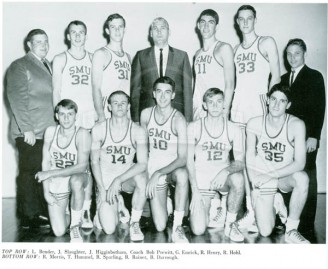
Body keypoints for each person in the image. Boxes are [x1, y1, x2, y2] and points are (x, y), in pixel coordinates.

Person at [230, 5, 281, 231]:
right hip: (238, 108)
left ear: (255, 20)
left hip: (259, 109)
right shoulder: (235, 49)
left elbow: (277, 77)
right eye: (241, 19)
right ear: (237, 22)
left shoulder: (266, 42)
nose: (245, 22)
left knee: (261, 161)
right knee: (242, 161)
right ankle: (251, 211)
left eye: (249, 18)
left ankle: (273, 205)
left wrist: (271, 109)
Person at [246, 84, 310, 244]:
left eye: (282, 101)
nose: (276, 104)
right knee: (265, 231)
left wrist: (270, 175)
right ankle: (275, 203)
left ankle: (291, 229)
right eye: (273, 99)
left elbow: (300, 163)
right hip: (262, 177)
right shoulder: (253, 123)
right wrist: (254, 188)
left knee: (302, 178)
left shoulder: (296, 125)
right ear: (267, 100)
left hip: (282, 176)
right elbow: (249, 159)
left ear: (288, 105)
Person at [6, 29, 55, 229]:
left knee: (42, 171)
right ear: (29, 44)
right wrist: (27, 128)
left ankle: (40, 211)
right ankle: (29, 216)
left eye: (46, 41)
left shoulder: (49, 65)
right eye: (38, 42)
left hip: (47, 130)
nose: (43, 45)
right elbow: (17, 98)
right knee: (29, 171)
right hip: (30, 131)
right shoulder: (20, 65)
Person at [52, 20, 95, 230]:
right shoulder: (60, 59)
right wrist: (59, 118)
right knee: (71, 161)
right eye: (73, 33)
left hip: (89, 116)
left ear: (86, 35)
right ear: (68, 36)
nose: (77, 36)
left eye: (81, 33)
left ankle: (86, 209)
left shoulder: (93, 58)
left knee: (89, 164)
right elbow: (56, 92)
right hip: (69, 116)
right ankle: (72, 204)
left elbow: (98, 88)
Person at [281, 38, 325, 238]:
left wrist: (314, 136)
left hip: (307, 138)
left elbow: (319, 108)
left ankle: (305, 224)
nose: (292, 58)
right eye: (289, 54)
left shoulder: (314, 76)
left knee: (307, 176)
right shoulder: (283, 79)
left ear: (304, 54)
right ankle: (289, 220)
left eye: (296, 53)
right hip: (288, 138)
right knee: (291, 176)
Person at [187, 88, 245, 242]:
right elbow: (188, 162)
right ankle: (215, 204)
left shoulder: (234, 129)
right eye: (211, 102)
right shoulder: (193, 127)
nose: (215, 106)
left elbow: (240, 162)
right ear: (204, 105)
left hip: (222, 180)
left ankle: (230, 223)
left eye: (219, 101)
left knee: (238, 179)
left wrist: (225, 171)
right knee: (198, 230)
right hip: (202, 181)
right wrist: (195, 191)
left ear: (224, 104)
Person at [91, 91, 148, 241]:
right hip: (105, 184)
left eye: (123, 102)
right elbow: (94, 162)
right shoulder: (99, 129)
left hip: (124, 181)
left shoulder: (138, 130)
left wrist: (118, 180)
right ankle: (117, 205)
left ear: (129, 105)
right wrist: (101, 189)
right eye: (115, 103)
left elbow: (142, 164)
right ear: (109, 107)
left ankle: (135, 222)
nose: (120, 106)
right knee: (109, 229)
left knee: (142, 177)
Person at [140, 76, 189, 243]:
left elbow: (182, 158)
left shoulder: (179, 120)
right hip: (154, 168)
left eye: (167, 93)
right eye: (159, 92)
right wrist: (148, 172)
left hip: (172, 169)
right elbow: (143, 148)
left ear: (173, 95)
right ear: (153, 93)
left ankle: (177, 226)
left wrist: (158, 173)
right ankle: (167, 201)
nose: (163, 97)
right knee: (160, 226)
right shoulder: (146, 114)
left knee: (182, 175)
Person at [35, 99, 91, 242]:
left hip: (78, 178)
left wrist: (50, 174)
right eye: (62, 114)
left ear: (75, 116)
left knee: (76, 180)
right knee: (58, 231)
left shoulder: (82, 133)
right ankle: (71, 210)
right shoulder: (50, 132)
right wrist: (46, 192)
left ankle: (75, 225)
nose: (66, 118)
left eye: (70, 114)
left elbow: (82, 166)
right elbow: (45, 162)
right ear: (56, 116)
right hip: (57, 181)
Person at [131, 17, 193, 123]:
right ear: (151, 33)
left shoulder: (182, 56)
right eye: (155, 28)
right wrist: (136, 119)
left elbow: (187, 91)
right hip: (148, 114)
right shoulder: (141, 56)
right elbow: (135, 90)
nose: (159, 32)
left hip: (176, 114)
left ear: (169, 32)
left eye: (163, 28)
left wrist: (187, 119)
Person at [193, 9, 235, 120]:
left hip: (217, 110)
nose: (206, 26)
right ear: (198, 25)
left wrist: (225, 112)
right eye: (203, 22)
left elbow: (230, 84)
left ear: (216, 27)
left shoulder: (224, 48)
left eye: (210, 22)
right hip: (200, 110)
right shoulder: (197, 54)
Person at [92, 13, 131, 122]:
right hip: (108, 111)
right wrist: (101, 116)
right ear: (107, 31)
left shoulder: (128, 57)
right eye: (113, 27)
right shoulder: (101, 54)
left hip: (125, 112)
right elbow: (96, 88)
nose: (117, 30)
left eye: (120, 27)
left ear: (124, 30)